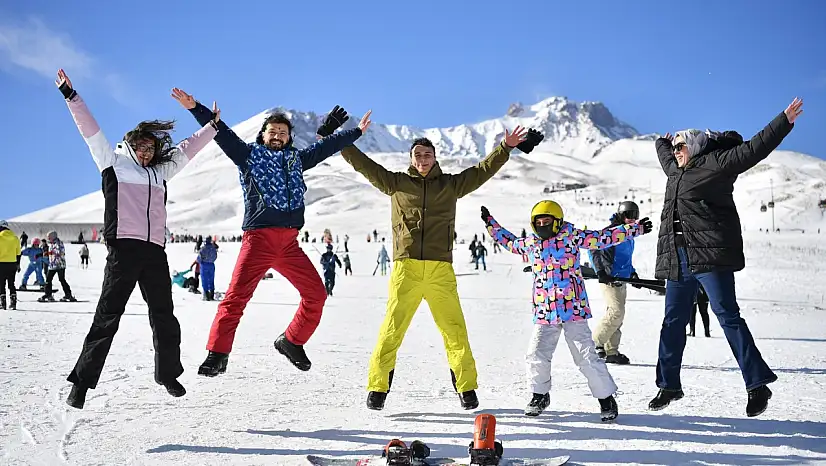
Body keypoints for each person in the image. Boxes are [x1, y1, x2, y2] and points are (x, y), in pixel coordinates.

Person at [340, 118, 543, 410]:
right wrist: (339, 140)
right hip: (405, 269)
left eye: (427, 154)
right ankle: (378, 387)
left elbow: (481, 171)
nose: (423, 158)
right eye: (418, 154)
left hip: (440, 270)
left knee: (454, 330)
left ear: (435, 158)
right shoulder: (396, 183)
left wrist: (505, 148)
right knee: (391, 330)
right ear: (411, 159)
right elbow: (363, 164)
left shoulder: (451, 185)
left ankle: (466, 388)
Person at [55, 69, 219, 409]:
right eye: (141, 147)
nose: (146, 153)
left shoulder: (161, 171)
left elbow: (188, 149)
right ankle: (81, 384)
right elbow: (91, 131)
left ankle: (168, 374)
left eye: (151, 148)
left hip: (154, 252)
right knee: (108, 315)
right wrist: (72, 96)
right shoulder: (112, 163)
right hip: (123, 250)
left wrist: (212, 125)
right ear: (131, 145)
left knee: (164, 314)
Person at [180, 89, 369, 377]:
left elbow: (327, 146)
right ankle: (217, 354)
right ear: (263, 135)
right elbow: (222, 134)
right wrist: (197, 109)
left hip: (290, 244)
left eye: (283, 132)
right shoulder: (248, 156)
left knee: (316, 294)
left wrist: (356, 132)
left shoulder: (297, 159)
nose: (278, 135)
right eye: (273, 131)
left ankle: (292, 341)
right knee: (235, 299)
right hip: (259, 240)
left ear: (289, 137)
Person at [648, 97, 804, 418]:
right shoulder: (675, 171)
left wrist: (783, 122)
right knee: (672, 322)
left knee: (728, 317)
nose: (677, 151)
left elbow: (752, 150)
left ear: (695, 146)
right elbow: (665, 154)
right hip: (678, 260)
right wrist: (662, 142)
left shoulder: (715, 164)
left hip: (709, 258)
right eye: (675, 148)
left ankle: (757, 384)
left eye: (682, 146)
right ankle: (669, 385)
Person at [481, 202, 652, 421]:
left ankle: (606, 398)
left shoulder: (570, 236)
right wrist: (490, 224)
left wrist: (633, 229)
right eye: (538, 222)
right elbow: (511, 243)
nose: (542, 225)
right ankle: (539, 395)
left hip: (573, 308)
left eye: (547, 221)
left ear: (558, 222)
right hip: (545, 311)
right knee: (536, 355)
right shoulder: (532, 243)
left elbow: (601, 238)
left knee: (586, 356)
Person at [588, 201, 641, 365]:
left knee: (618, 315)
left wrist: (632, 273)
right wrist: (600, 272)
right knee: (616, 312)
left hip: (622, 278)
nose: (632, 219)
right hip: (610, 278)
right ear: (621, 215)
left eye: (635, 216)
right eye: (629, 215)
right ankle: (594, 344)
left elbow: (625, 258)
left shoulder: (630, 235)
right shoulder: (611, 232)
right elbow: (593, 249)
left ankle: (611, 351)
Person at [38, 231, 76, 303]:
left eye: (49, 237)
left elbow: (60, 252)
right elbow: (52, 253)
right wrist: (46, 254)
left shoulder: (58, 243)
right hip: (52, 265)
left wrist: (50, 253)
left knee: (61, 279)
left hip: (59, 265)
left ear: (53, 236)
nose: (48, 238)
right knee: (48, 280)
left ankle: (68, 294)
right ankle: (48, 294)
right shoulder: (52, 244)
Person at [0, 220, 21, 310]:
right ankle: (13, 303)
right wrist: (18, 264)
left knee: (1, 284)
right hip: (12, 263)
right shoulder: (15, 238)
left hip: (1, 264)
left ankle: (3, 303)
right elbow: (18, 253)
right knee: (11, 283)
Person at [198, 236, 218, 301]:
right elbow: (215, 256)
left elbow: (199, 258)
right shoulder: (213, 248)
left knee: (204, 280)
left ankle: (206, 296)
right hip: (211, 265)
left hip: (204, 265)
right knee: (211, 280)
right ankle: (211, 294)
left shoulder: (203, 249)